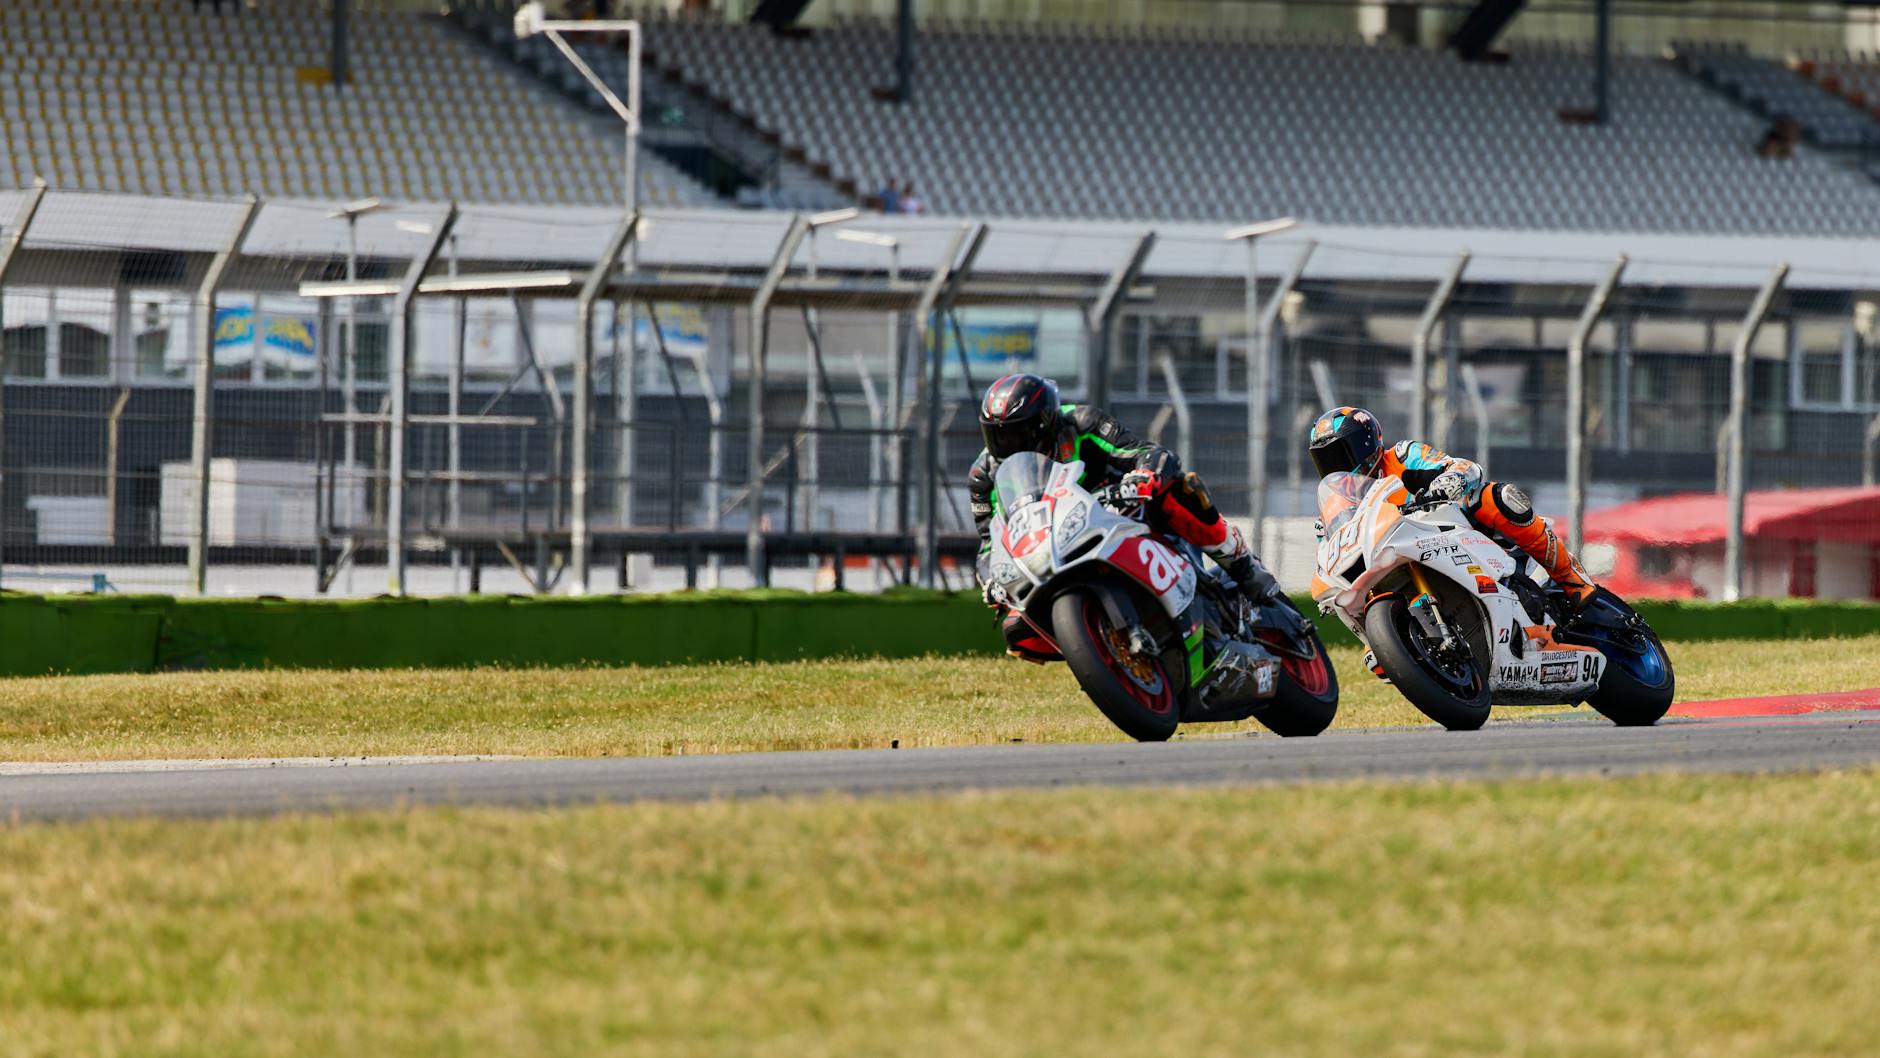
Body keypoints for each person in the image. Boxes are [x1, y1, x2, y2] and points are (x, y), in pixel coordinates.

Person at [970, 373, 1282, 609]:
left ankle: (1240, 562)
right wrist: (990, 579)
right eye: (997, 436)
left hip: (1118, 508)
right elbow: (989, 546)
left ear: (1045, 422)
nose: (1006, 445)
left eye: (1016, 434)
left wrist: (1142, 477)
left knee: (1178, 488)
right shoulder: (985, 474)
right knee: (1015, 620)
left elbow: (1149, 453)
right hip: (1049, 546)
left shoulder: (1081, 423)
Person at [1306, 405, 1597, 611]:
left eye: (1340, 455)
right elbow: (1329, 555)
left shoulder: (1402, 457)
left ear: (1366, 444)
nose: (1336, 469)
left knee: (1496, 497)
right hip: (1394, 563)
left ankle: (1572, 579)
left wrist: (1449, 481)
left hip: (1447, 533)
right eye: (1326, 461)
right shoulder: (1332, 507)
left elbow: (1462, 466)